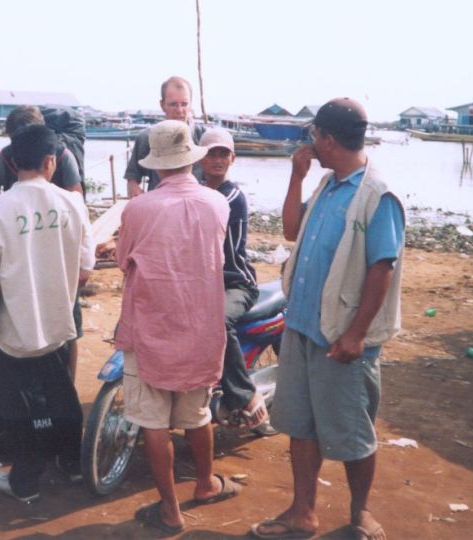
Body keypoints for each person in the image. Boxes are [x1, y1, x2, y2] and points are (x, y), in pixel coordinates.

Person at [250, 98, 404, 540]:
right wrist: (297, 177)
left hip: (342, 335)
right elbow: (291, 231)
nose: (311, 142)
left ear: (329, 139)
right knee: (300, 424)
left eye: (314, 135)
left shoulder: (377, 193)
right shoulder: (326, 185)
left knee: (353, 432)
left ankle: (361, 515)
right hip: (301, 326)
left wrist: (356, 334)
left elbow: (383, 267)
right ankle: (303, 511)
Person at [115, 120, 241, 534]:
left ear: (155, 165)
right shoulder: (217, 203)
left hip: (151, 327)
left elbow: (123, 261)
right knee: (197, 413)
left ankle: (170, 510)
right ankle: (205, 484)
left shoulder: (137, 208)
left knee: (153, 422)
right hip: (201, 326)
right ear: (193, 158)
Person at [0, 124, 95, 502]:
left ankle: (25, 481)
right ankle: (71, 462)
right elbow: (86, 265)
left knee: (16, 402)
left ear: (10, 161)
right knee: (61, 393)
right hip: (59, 317)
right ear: (50, 161)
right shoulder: (73, 203)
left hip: (14, 326)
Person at [0, 105, 86, 383]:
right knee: (51, 326)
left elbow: (76, 198)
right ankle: (17, 390)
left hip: (52, 250)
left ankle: (67, 386)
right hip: (21, 247)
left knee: (68, 328)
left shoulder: (62, 157)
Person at [198, 128, 276, 435]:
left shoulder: (231, 196)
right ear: (199, 157)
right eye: (211, 153)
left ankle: (246, 396)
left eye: (222, 154)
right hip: (201, 281)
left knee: (217, 323)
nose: (216, 160)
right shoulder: (197, 191)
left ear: (233, 158)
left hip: (234, 282)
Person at [124, 76, 206, 197]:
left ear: (190, 105)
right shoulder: (146, 138)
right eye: (173, 104)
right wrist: (138, 196)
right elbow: (132, 178)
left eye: (184, 104)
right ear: (162, 105)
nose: (179, 110)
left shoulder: (204, 138)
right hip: (159, 207)